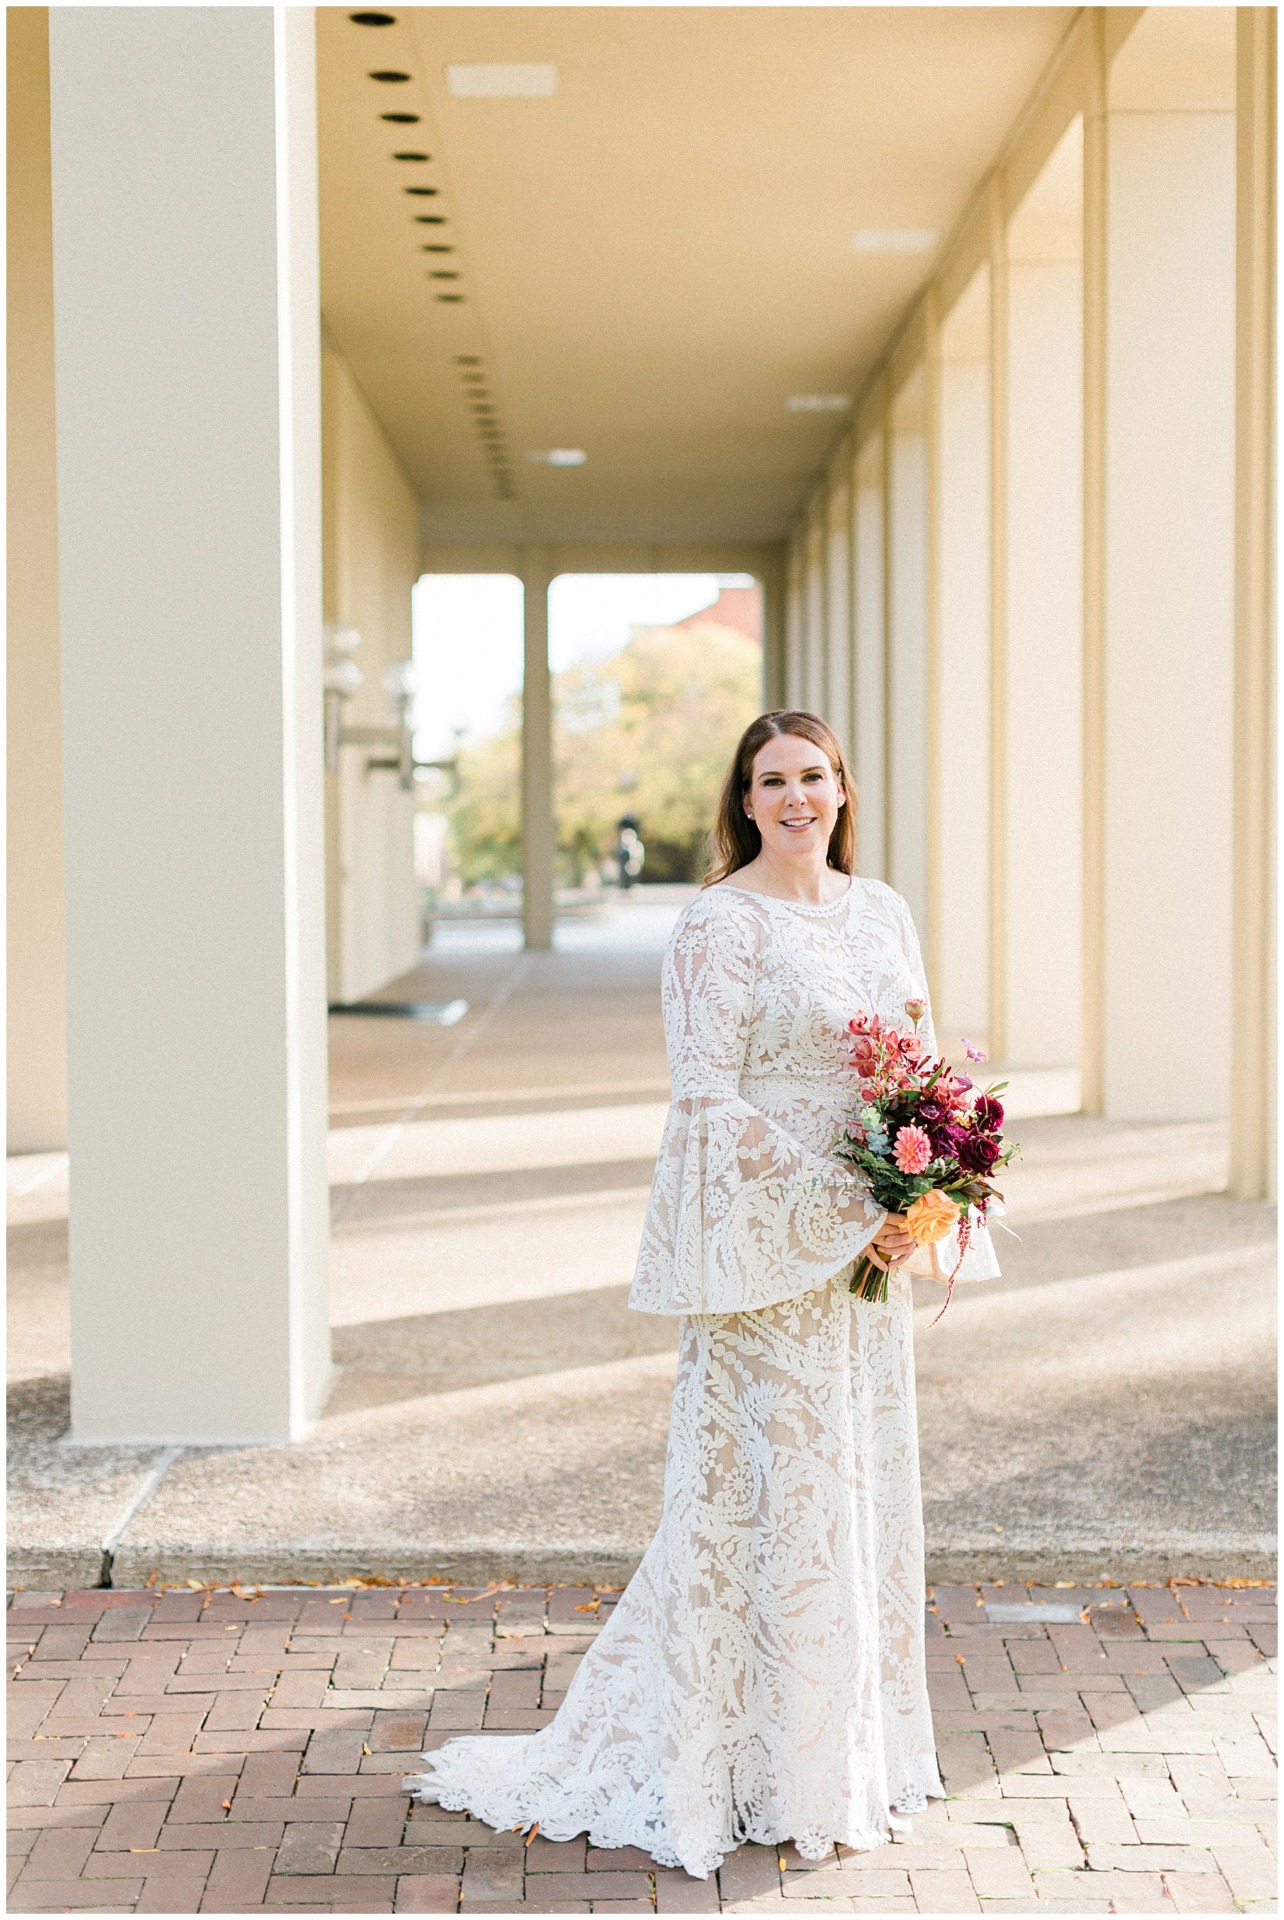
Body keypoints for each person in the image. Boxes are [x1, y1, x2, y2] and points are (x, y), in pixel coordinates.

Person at [405, 709, 999, 1878]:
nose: (795, 799)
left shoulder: (884, 912)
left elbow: (928, 1079)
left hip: (868, 1267)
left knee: (851, 1508)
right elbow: (707, 1103)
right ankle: (725, 1766)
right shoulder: (715, 926)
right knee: (764, 1506)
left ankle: (831, 1760)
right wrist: (844, 1208)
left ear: (844, 788)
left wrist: (915, 1209)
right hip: (769, 1266)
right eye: (770, 780)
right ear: (741, 801)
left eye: (814, 777)